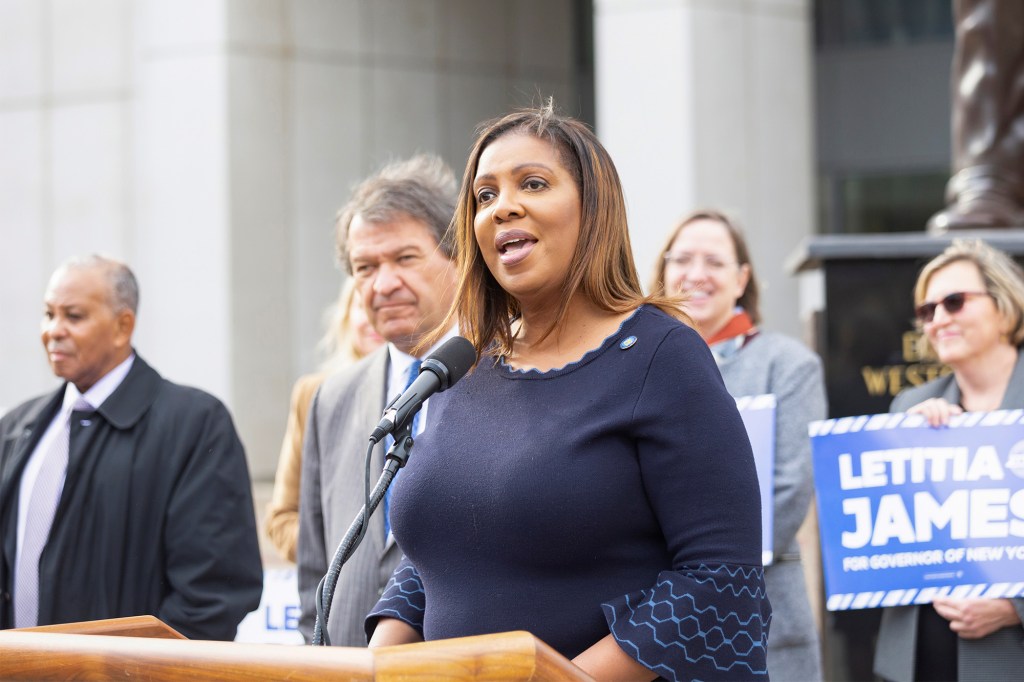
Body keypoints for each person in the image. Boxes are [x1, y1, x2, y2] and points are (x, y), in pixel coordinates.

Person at [366, 105, 771, 681]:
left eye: (532, 183)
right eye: (484, 195)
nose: (502, 205)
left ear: (593, 209)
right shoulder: (467, 364)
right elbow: (441, 554)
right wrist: (380, 662)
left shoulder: (662, 355)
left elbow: (719, 579)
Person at [0, 255, 262, 640]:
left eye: (73, 316)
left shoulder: (195, 425)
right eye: (48, 314)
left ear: (123, 327)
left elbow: (212, 594)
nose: (54, 330)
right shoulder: (17, 427)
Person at [650, 209, 825, 681]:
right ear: (663, 270)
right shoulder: (634, 365)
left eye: (715, 261)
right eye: (682, 259)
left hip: (763, 618)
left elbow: (789, 493)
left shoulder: (789, 366)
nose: (696, 274)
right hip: (653, 624)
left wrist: (693, 578)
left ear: (742, 277)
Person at [297, 154, 459, 647]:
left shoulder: (507, 376)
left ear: (459, 256)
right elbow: (313, 566)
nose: (383, 284)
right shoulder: (333, 398)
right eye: (365, 267)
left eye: (405, 259)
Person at [874, 239, 1024, 682]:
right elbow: (876, 537)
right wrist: (904, 448)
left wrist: (1013, 609)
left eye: (954, 303)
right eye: (927, 311)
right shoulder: (909, 407)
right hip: (919, 656)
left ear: (1003, 305)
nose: (939, 320)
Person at [264, 279, 384, 562]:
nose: (374, 318)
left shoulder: (439, 387)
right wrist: (345, 558)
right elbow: (282, 518)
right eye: (361, 305)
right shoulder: (315, 395)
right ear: (345, 318)